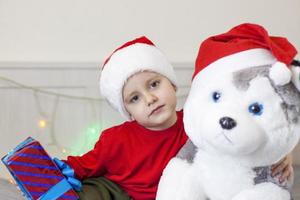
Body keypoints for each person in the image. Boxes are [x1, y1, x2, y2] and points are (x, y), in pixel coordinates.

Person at [63, 36, 293, 200]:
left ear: (172, 84)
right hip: (126, 195)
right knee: (93, 190)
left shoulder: (198, 123)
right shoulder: (116, 140)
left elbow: (246, 141)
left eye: (154, 84)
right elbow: (82, 166)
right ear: (129, 113)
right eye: (135, 98)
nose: (150, 98)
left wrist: (281, 155)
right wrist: (51, 169)